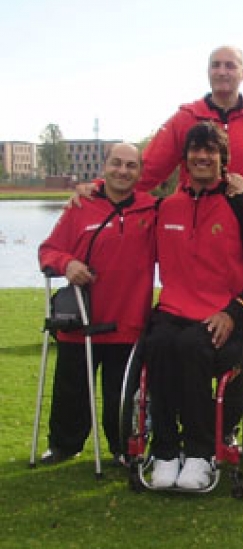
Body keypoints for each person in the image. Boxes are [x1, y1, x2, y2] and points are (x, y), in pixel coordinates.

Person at [145, 122, 243, 490]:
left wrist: (235, 312)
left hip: (224, 315)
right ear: (185, 158)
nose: (202, 157)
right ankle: (165, 451)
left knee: (191, 347)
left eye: (211, 151)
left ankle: (200, 452)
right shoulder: (167, 207)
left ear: (224, 159)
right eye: (195, 150)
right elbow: (120, 198)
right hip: (174, 310)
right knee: (157, 345)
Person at [38, 143, 157, 465]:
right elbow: (48, 250)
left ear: (140, 172)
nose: (123, 170)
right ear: (104, 167)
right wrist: (67, 264)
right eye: (116, 163)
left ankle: (122, 449)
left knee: (122, 396)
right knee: (71, 391)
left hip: (127, 321)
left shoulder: (152, 210)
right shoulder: (80, 206)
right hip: (81, 321)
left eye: (131, 166)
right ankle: (64, 445)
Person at [133, 45, 243, 201]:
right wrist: (110, 196)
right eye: (215, 65)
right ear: (208, 72)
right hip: (196, 219)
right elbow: (148, 170)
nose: (222, 72)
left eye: (230, 66)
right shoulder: (186, 117)